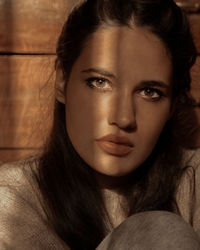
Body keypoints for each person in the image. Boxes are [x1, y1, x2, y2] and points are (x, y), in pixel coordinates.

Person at [0, 0, 200, 249]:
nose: (124, 118)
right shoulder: (11, 202)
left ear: (172, 106)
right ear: (63, 81)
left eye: (150, 92)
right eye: (99, 82)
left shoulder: (194, 183)